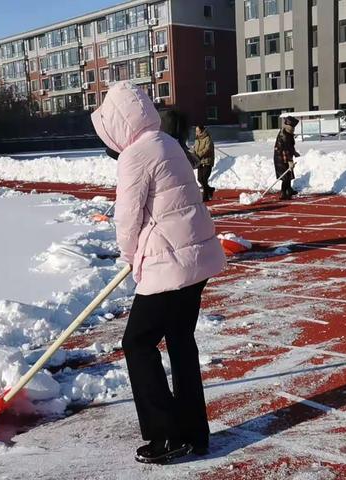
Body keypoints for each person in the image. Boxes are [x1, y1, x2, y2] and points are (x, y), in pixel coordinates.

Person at [91, 82, 226, 465]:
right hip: (196, 259)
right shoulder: (167, 142)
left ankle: (166, 435)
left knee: (137, 342)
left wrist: (130, 255)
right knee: (181, 341)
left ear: (118, 123)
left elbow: (127, 216)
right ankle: (195, 433)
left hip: (169, 262)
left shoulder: (135, 155)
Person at [273, 116, 301, 200]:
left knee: (289, 174)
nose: (294, 128)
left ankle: (289, 189)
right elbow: (285, 148)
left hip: (284, 156)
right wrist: (289, 161)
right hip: (281, 158)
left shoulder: (287, 132)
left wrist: (294, 152)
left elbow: (289, 146)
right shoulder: (285, 134)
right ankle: (283, 193)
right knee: (285, 175)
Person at [193, 125, 215, 202]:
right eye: (196, 131)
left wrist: (198, 154)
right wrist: (192, 154)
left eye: (198, 131)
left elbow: (207, 149)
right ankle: (210, 189)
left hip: (207, 161)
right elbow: (194, 149)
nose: (196, 132)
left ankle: (205, 197)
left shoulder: (207, 138)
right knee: (199, 179)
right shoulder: (196, 139)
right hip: (200, 162)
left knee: (204, 179)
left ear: (202, 131)